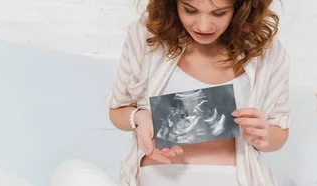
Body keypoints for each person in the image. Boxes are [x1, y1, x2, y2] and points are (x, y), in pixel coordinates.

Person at [54, 0, 293, 186]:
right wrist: (139, 118)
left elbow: (279, 133)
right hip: (160, 176)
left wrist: (261, 134)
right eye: (190, 10)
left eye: (219, 13)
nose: (203, 26)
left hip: (236, 177)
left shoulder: (269, 54)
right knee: (72, 173)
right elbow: (117, 110)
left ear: (241, 8)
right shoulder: (147, 38)